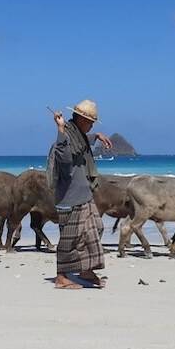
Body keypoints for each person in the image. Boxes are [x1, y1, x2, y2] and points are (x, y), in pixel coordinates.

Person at [47, 99, 112, 289]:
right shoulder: (66, 136)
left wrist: (96, 136)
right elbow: (64, 157)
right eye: (90, 122)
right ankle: (61, 277)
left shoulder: (78, 135)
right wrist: (59, 129)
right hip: (70, 198)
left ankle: (85, 269)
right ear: (81, 120)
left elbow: (82, 143)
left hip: (84, 195)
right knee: (69, 237)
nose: (91, 126)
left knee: (95, 229)